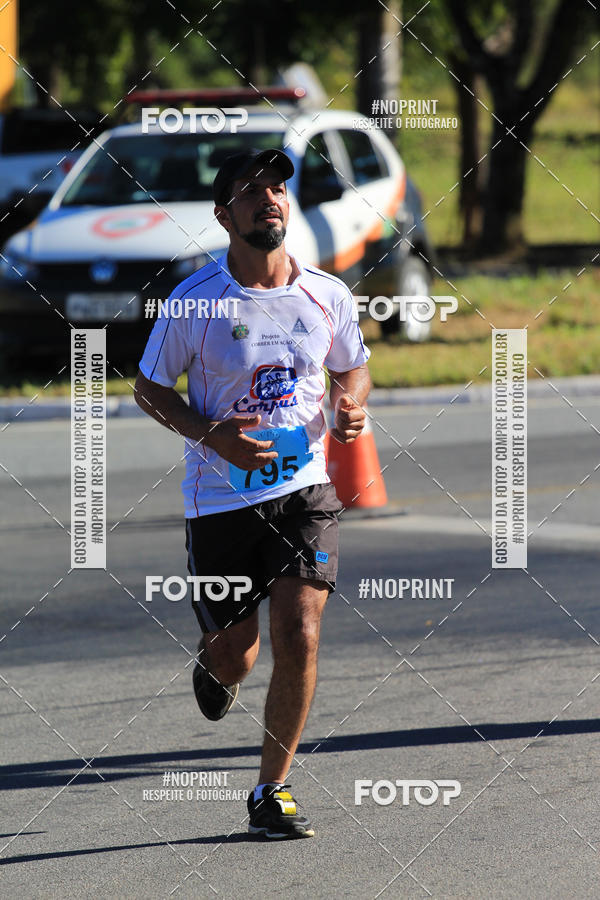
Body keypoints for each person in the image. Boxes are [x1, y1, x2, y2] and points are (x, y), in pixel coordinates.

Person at [135, 148, 371, 839]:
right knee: (237, 653)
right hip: (221, 500)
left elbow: (352, 371)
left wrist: (351, 408)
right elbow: (150, 389)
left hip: (306, 490)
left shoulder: (327, 294)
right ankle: (215, 665)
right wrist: (215, 436)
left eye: (277, 189)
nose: (270, 198)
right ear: (223, 215)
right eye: (251, 191)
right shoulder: (198, 300)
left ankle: (273, 789)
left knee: (298, 632)